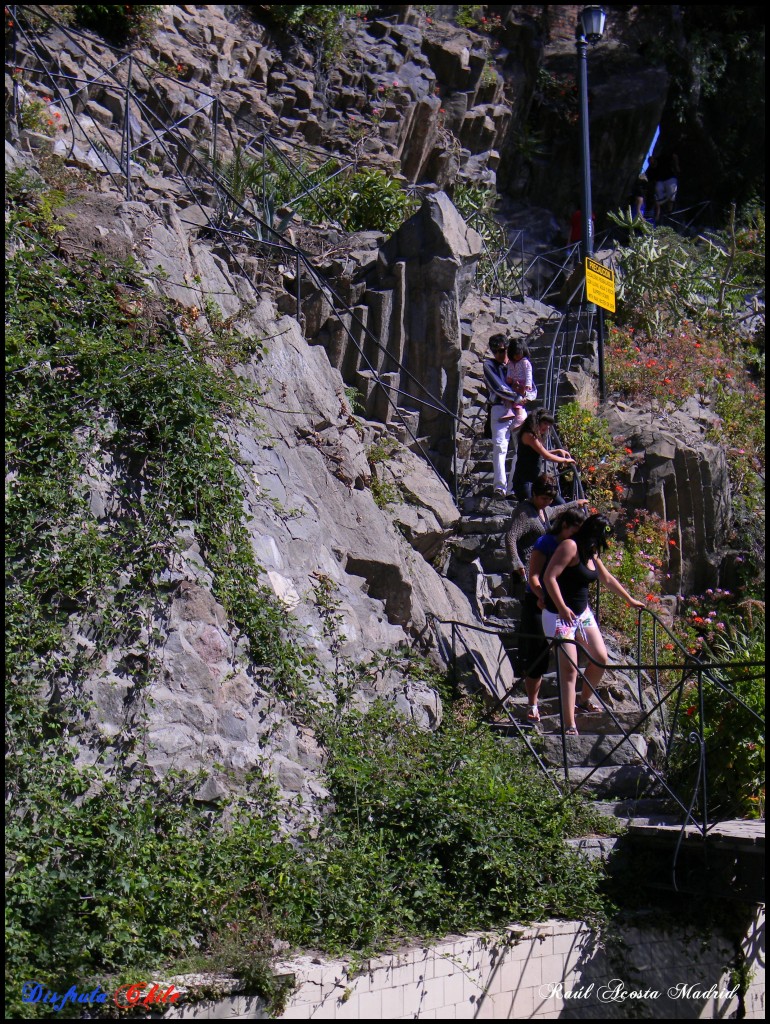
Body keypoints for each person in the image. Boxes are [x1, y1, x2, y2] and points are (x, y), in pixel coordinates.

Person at [542, 514, 644, 735]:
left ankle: (583, 700)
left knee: (600, 658)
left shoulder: (592, 552)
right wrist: (561, 607)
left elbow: (606, 579)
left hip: (581, 613)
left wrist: (629, 600)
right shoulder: (570, 547)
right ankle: (569, 724)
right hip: (559, 614)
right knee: (569, 669)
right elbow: (549, 577)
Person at [504, 479, 587, 721]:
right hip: (531, 578)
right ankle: (532, 703)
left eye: (550, 499)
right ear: (534, 495)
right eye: (543, 498)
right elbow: (510, 537)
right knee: (535, 644)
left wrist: (575, 503)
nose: (547, 502)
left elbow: (555, 510)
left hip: (548, 581)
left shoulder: (543, 511)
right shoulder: (525, 513)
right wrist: (517, 564)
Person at [482, 333, 520, 498]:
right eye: (495, 351)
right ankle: (499, 487)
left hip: (518, 408)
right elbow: (498, 387)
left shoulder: (517, 363)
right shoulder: (489, 364)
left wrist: (527, 395)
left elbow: (531, 385)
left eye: (502, 350)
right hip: (499, 407)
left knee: (521, 448)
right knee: (499, 446)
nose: (499, 354)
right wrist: (518, 396)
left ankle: (513, 487)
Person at [511, 408, 575, 504]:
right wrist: (565, 460)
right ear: (536, 421)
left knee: (560, 503)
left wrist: (557, 451)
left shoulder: (534, 435)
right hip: (524, 481)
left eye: (549, 425)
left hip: (535, 479)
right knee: (530, 509)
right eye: (545, 423)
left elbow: (540, 452)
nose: (547, 427)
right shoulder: (529, 435)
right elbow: (546, 456)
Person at [501, 337, 537, 424]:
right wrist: (509, 378)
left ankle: (520, 418)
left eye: (519, 353)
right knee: (508, 397)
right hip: (514, 383)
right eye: (515, 354)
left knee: (519, 400)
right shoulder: (511, 363)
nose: (517, 356)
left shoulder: (525, 362)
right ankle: (509, 411)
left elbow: (528, 373)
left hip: (522, 383)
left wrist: (528, 384)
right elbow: (509, 371)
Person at [651, 151, 680, 221]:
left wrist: (677, 166)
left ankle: (670, 210)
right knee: (658, 190)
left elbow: (674, 155)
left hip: (670, 178)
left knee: (671, 194)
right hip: (660, 181)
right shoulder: (651, 170)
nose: (653, 165)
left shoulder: (662, 158)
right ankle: (660, 211)